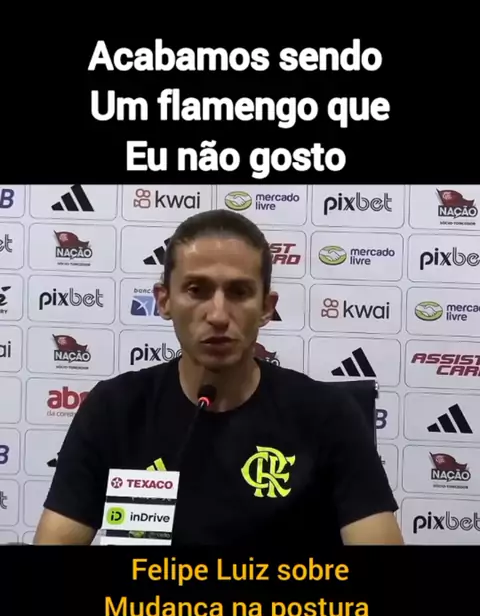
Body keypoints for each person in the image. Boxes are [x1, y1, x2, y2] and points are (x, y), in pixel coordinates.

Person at [34, 209, 403, 546]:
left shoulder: (327, 415)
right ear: (164, 300)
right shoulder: (115, 409)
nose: (218, 315)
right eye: (197, 290)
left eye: (239, 292)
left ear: (266, 308)